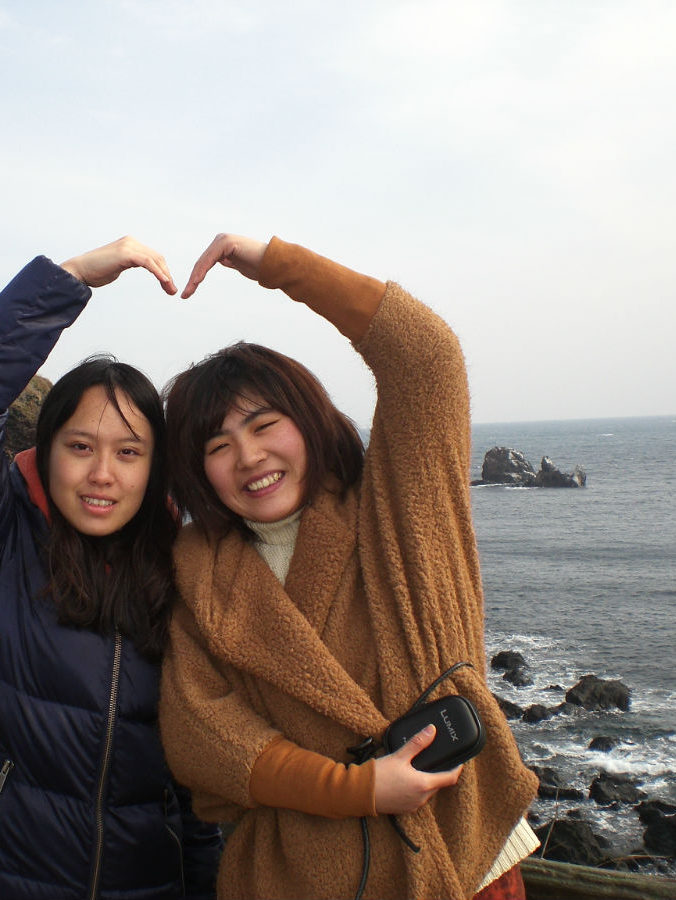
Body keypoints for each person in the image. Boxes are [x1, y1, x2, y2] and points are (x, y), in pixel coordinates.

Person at [158, 234, 540, 899]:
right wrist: (353, 788)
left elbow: (426, 359)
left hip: (462, 856)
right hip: (300, 880)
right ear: (197, 470)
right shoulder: (199, 575)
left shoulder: (399, 510)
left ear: (308, 420)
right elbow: (201, 735)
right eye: (218, 445)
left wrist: (279, 265)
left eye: (264, 425)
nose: (248, 456)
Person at [0, 237, 221, 899]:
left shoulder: (181, 577)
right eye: (80, 446)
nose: (102, 473)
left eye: (129, 453)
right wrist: (68, 279)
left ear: (156, 468)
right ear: (46, 449)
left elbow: (196, 793)